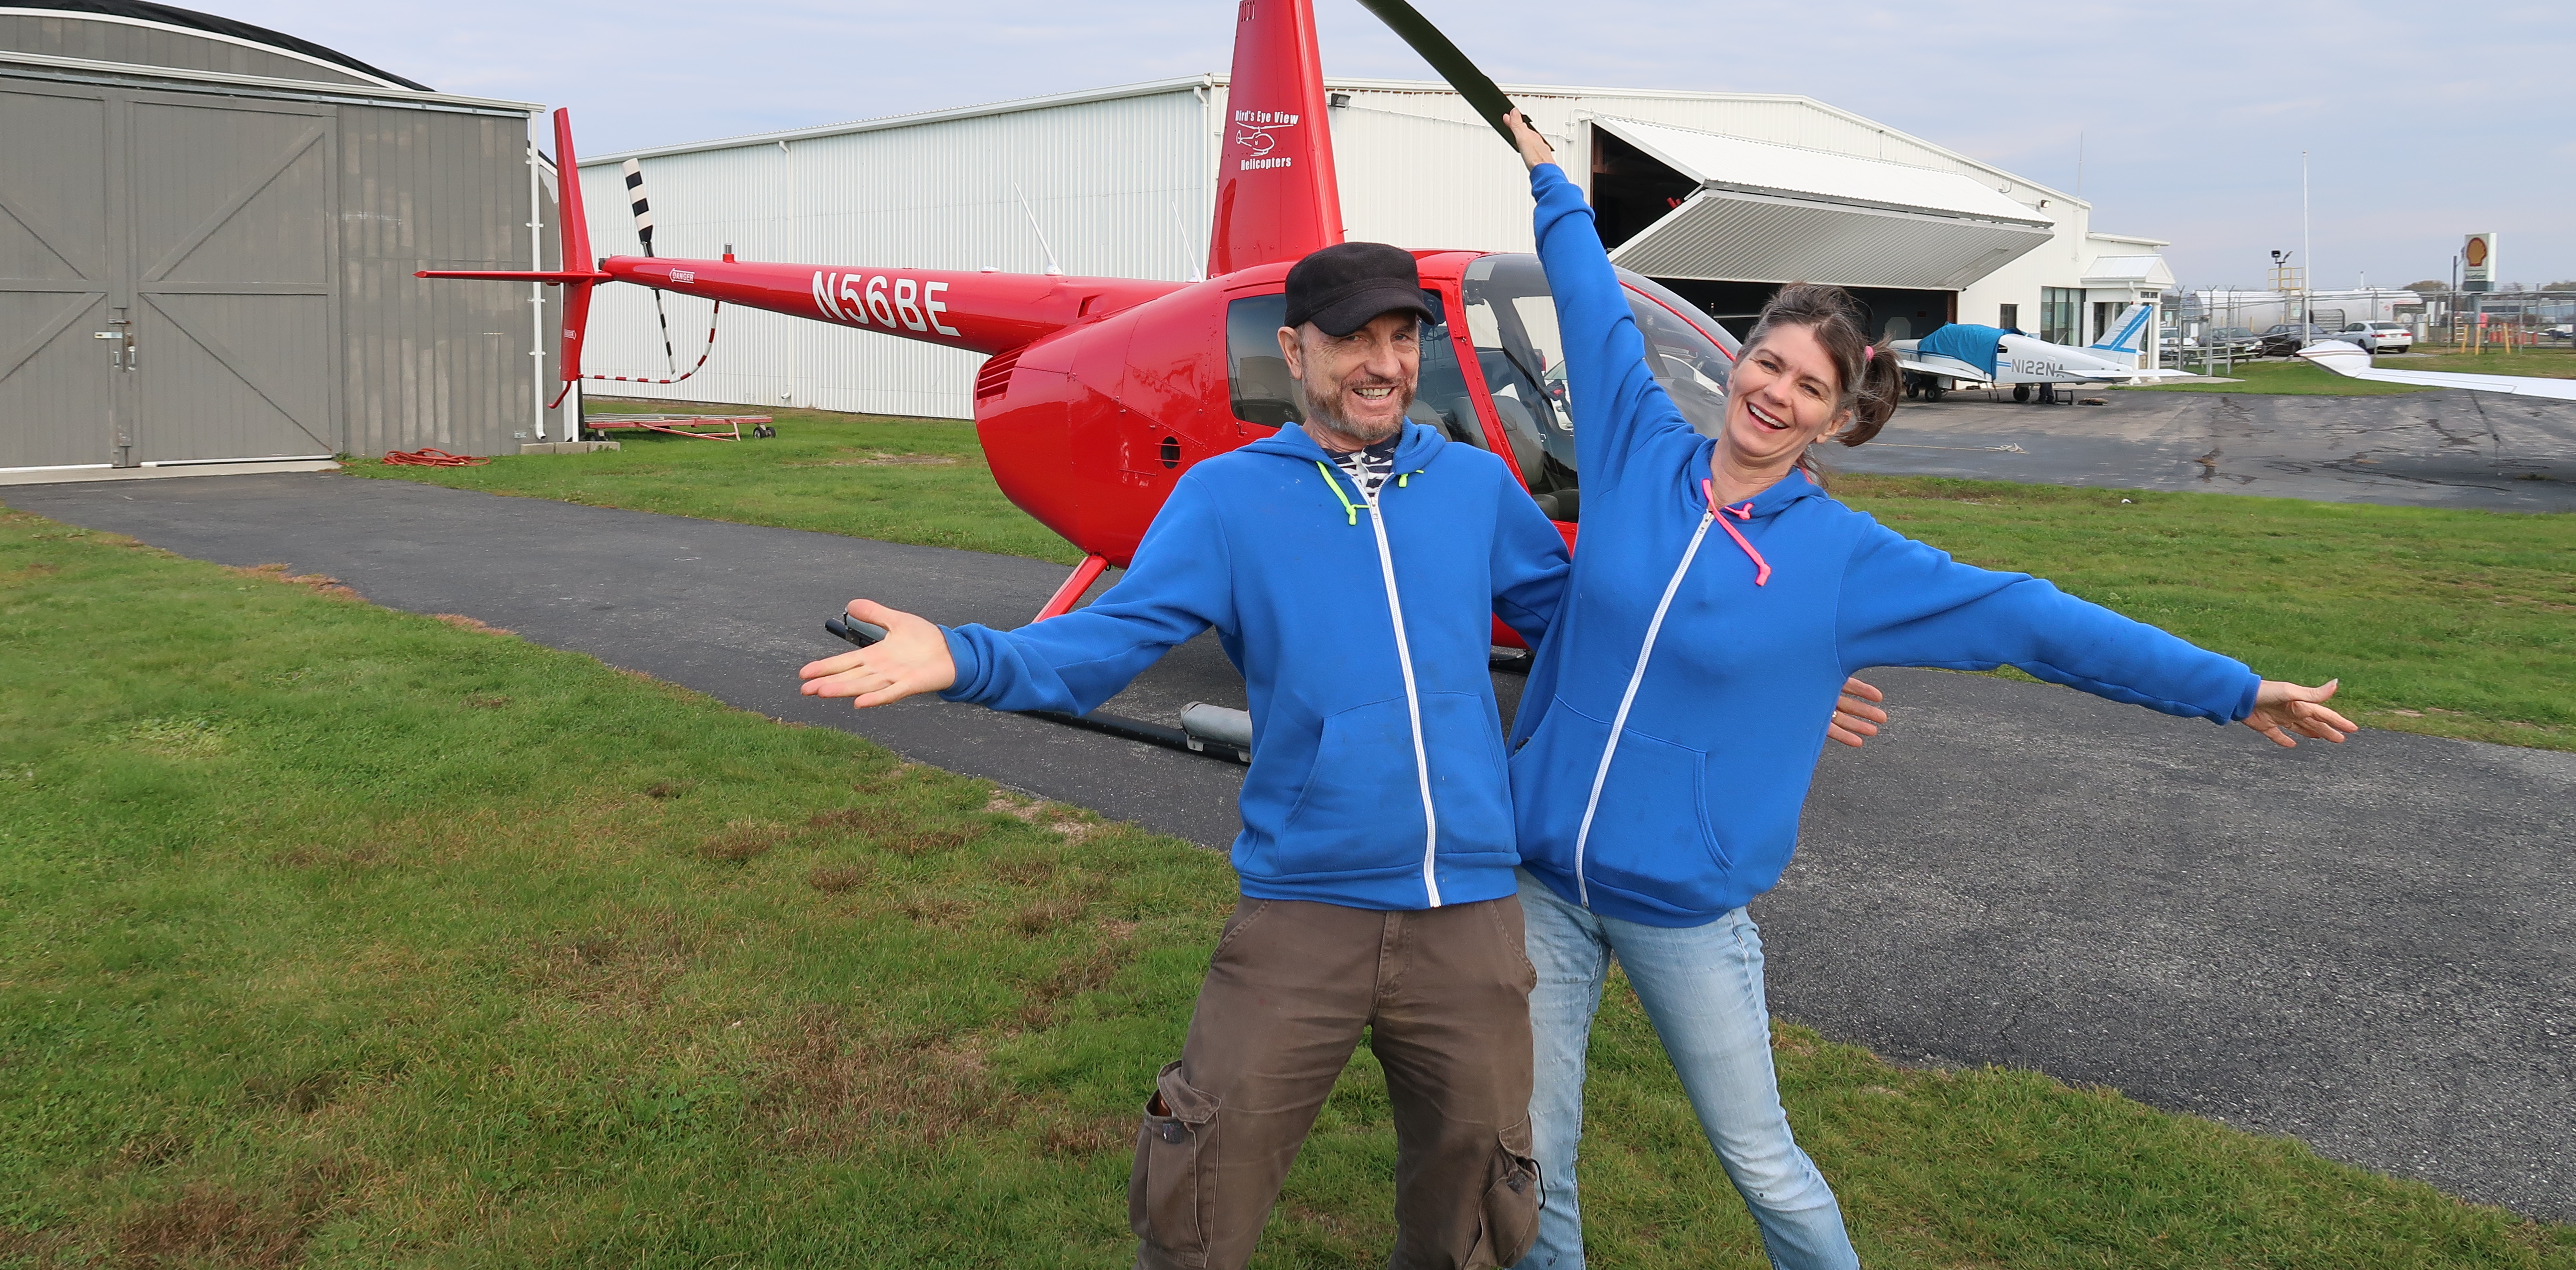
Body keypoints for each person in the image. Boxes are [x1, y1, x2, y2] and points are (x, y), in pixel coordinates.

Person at [1496, 111, 2356, 1270]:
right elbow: (1591, 299)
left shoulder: (1850, 565)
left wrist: (2234, 688)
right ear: (1734, 364)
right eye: (1766, 362)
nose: (1775, 392)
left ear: (1836, 418)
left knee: (1761, 1162)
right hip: (1543, 878)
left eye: (1807, 385)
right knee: (1531, 1152)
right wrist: (1555, 180)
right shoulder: (1639, 445)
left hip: (1685, 908)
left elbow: (2038, 622)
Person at [799, 239, 1571, 1270]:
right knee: (1201, 1184)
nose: (1383, 363)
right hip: (1305, 907)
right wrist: (965, 653)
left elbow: (1583, 624)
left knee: (1477, 1202)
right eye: (1352, 340)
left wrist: (1770, 660)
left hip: (1468, 915)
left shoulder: (1475, 487)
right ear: (1293, 352)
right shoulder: (1226, 499)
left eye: (1401, 337)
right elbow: (1103, 648)